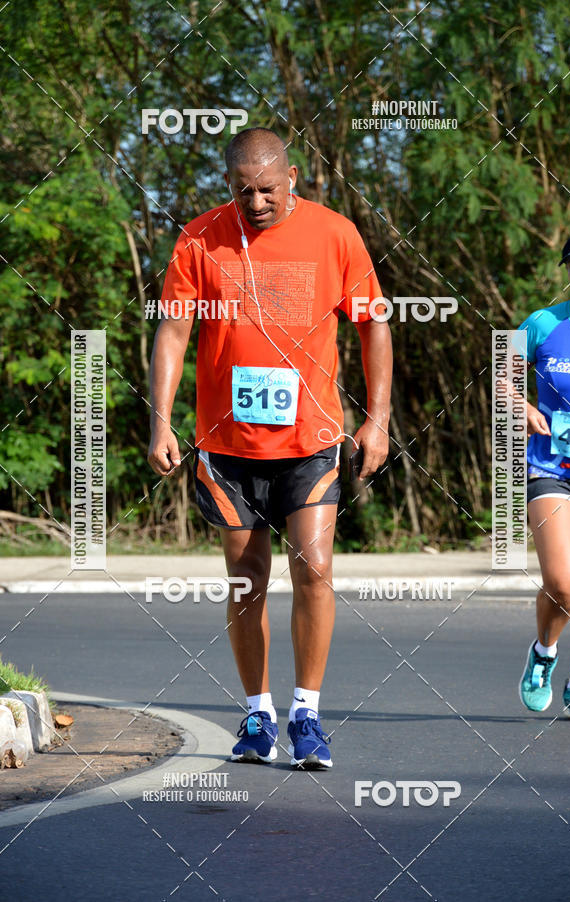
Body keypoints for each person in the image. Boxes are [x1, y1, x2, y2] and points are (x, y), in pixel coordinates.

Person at [147, 127, 392, 767]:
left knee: (314, 571)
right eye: (242, 191)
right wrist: (161, 420)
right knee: (246, 580)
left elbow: (373, 327)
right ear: (227, 186)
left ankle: (306, 714)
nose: (255, 203)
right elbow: (173, 332)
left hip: (310, 438)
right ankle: (258, 714)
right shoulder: (201, 237)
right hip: (227, 444)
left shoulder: (335, 233)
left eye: (267, 190)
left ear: (293, 180)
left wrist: (378, 418)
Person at [519, 226, 570, 720]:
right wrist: (522, 406)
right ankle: (544, 653)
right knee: (566, 581)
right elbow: (501, 369)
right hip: (553, 468)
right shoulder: (545, 324)